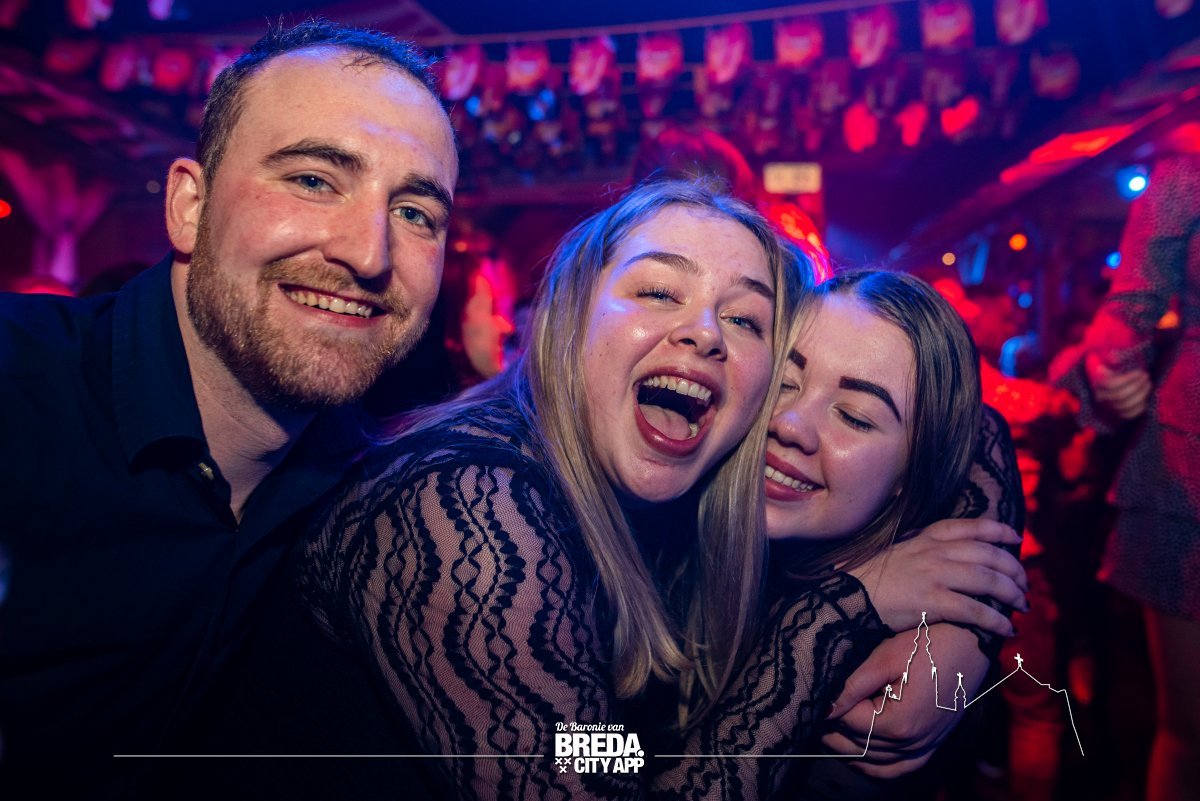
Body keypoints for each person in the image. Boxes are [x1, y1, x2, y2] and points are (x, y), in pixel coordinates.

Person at [289, 182, 1022, 801]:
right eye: (658, 291)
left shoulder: (678, 509)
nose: (704, 334)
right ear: (569, 312)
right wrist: (840, 609)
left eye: (743, 319)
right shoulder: (472, 508)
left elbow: (604, 746)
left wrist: (963, 627)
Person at [0, 20, 457, 799]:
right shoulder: (21, 393)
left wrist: (655, 750)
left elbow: (549, 744)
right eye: (313, 179)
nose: (369, 253)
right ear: (189, 205)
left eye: (415, 212)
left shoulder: (387, 494)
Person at [1052, 150, 1200, 801]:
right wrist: (1110, 365)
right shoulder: (1188, 175)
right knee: (1192, 736)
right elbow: (1128, 309)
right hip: (1190, 466)